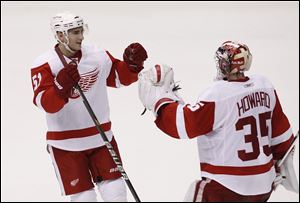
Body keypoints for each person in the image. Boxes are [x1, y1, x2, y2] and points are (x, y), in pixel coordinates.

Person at [138, 41, 298, 202]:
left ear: (224, 64)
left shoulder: (219, 95)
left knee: (198, 192)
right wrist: (279, 169)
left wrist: (159, 102)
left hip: (227, 187)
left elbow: (185, 124)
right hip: (263, 186)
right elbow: (282, 137)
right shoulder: (265, 86)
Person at [30, 11, 147, 202]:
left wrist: (132, 66)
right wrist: (60, 88)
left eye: (81, 31)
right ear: (61, 35)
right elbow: (46, 104)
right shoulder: (44, 63)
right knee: (84, 199)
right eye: (75, 32)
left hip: (101, 139)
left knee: (116, 193)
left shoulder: (97, 55)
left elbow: (118, 77)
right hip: (65, 145)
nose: (81, 36)